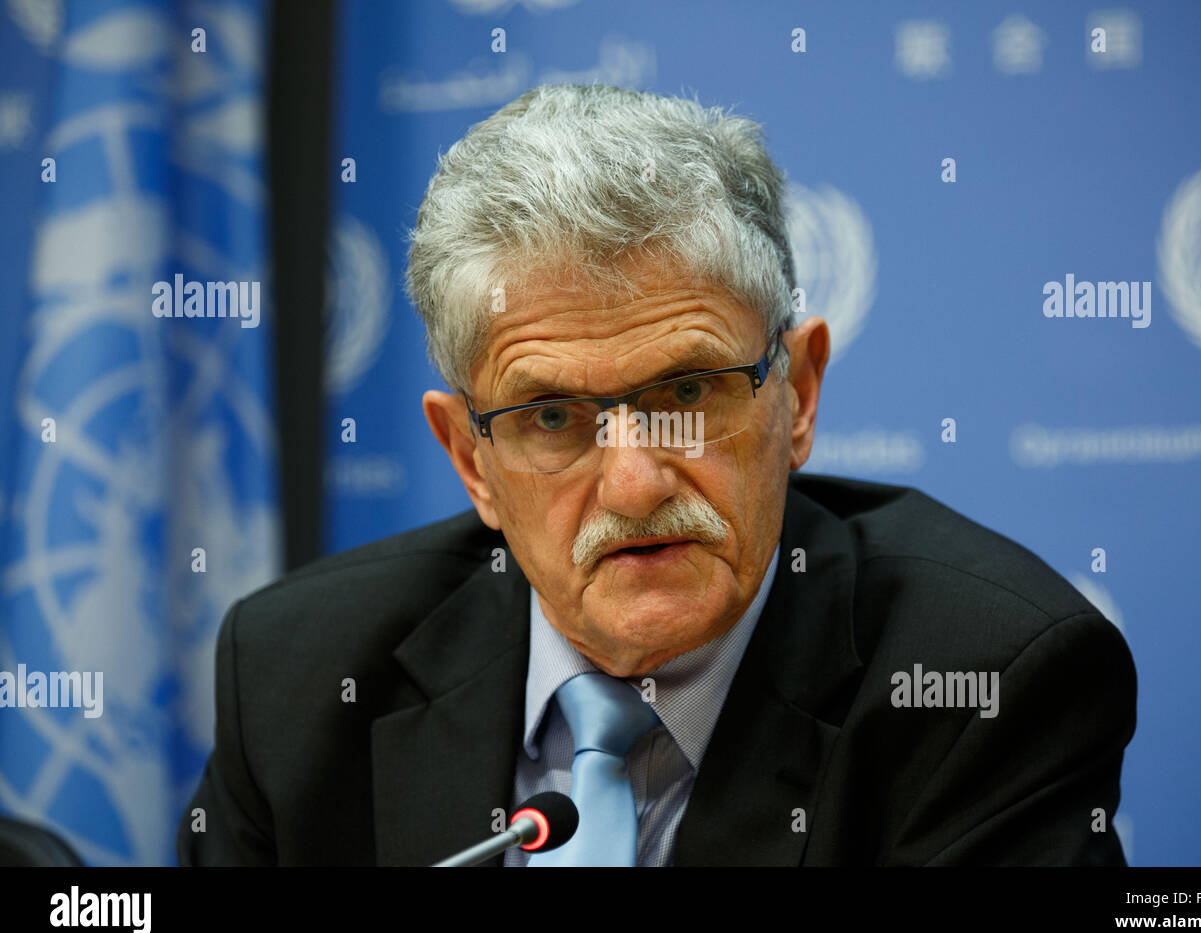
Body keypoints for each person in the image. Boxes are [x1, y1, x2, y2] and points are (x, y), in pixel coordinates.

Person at [177, 83, 1136, 866]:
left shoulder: (983, 681)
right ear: (472, 459)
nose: (635, 484)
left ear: (795, 396)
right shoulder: (298, 676)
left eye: (691, 387)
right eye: (552, 415)